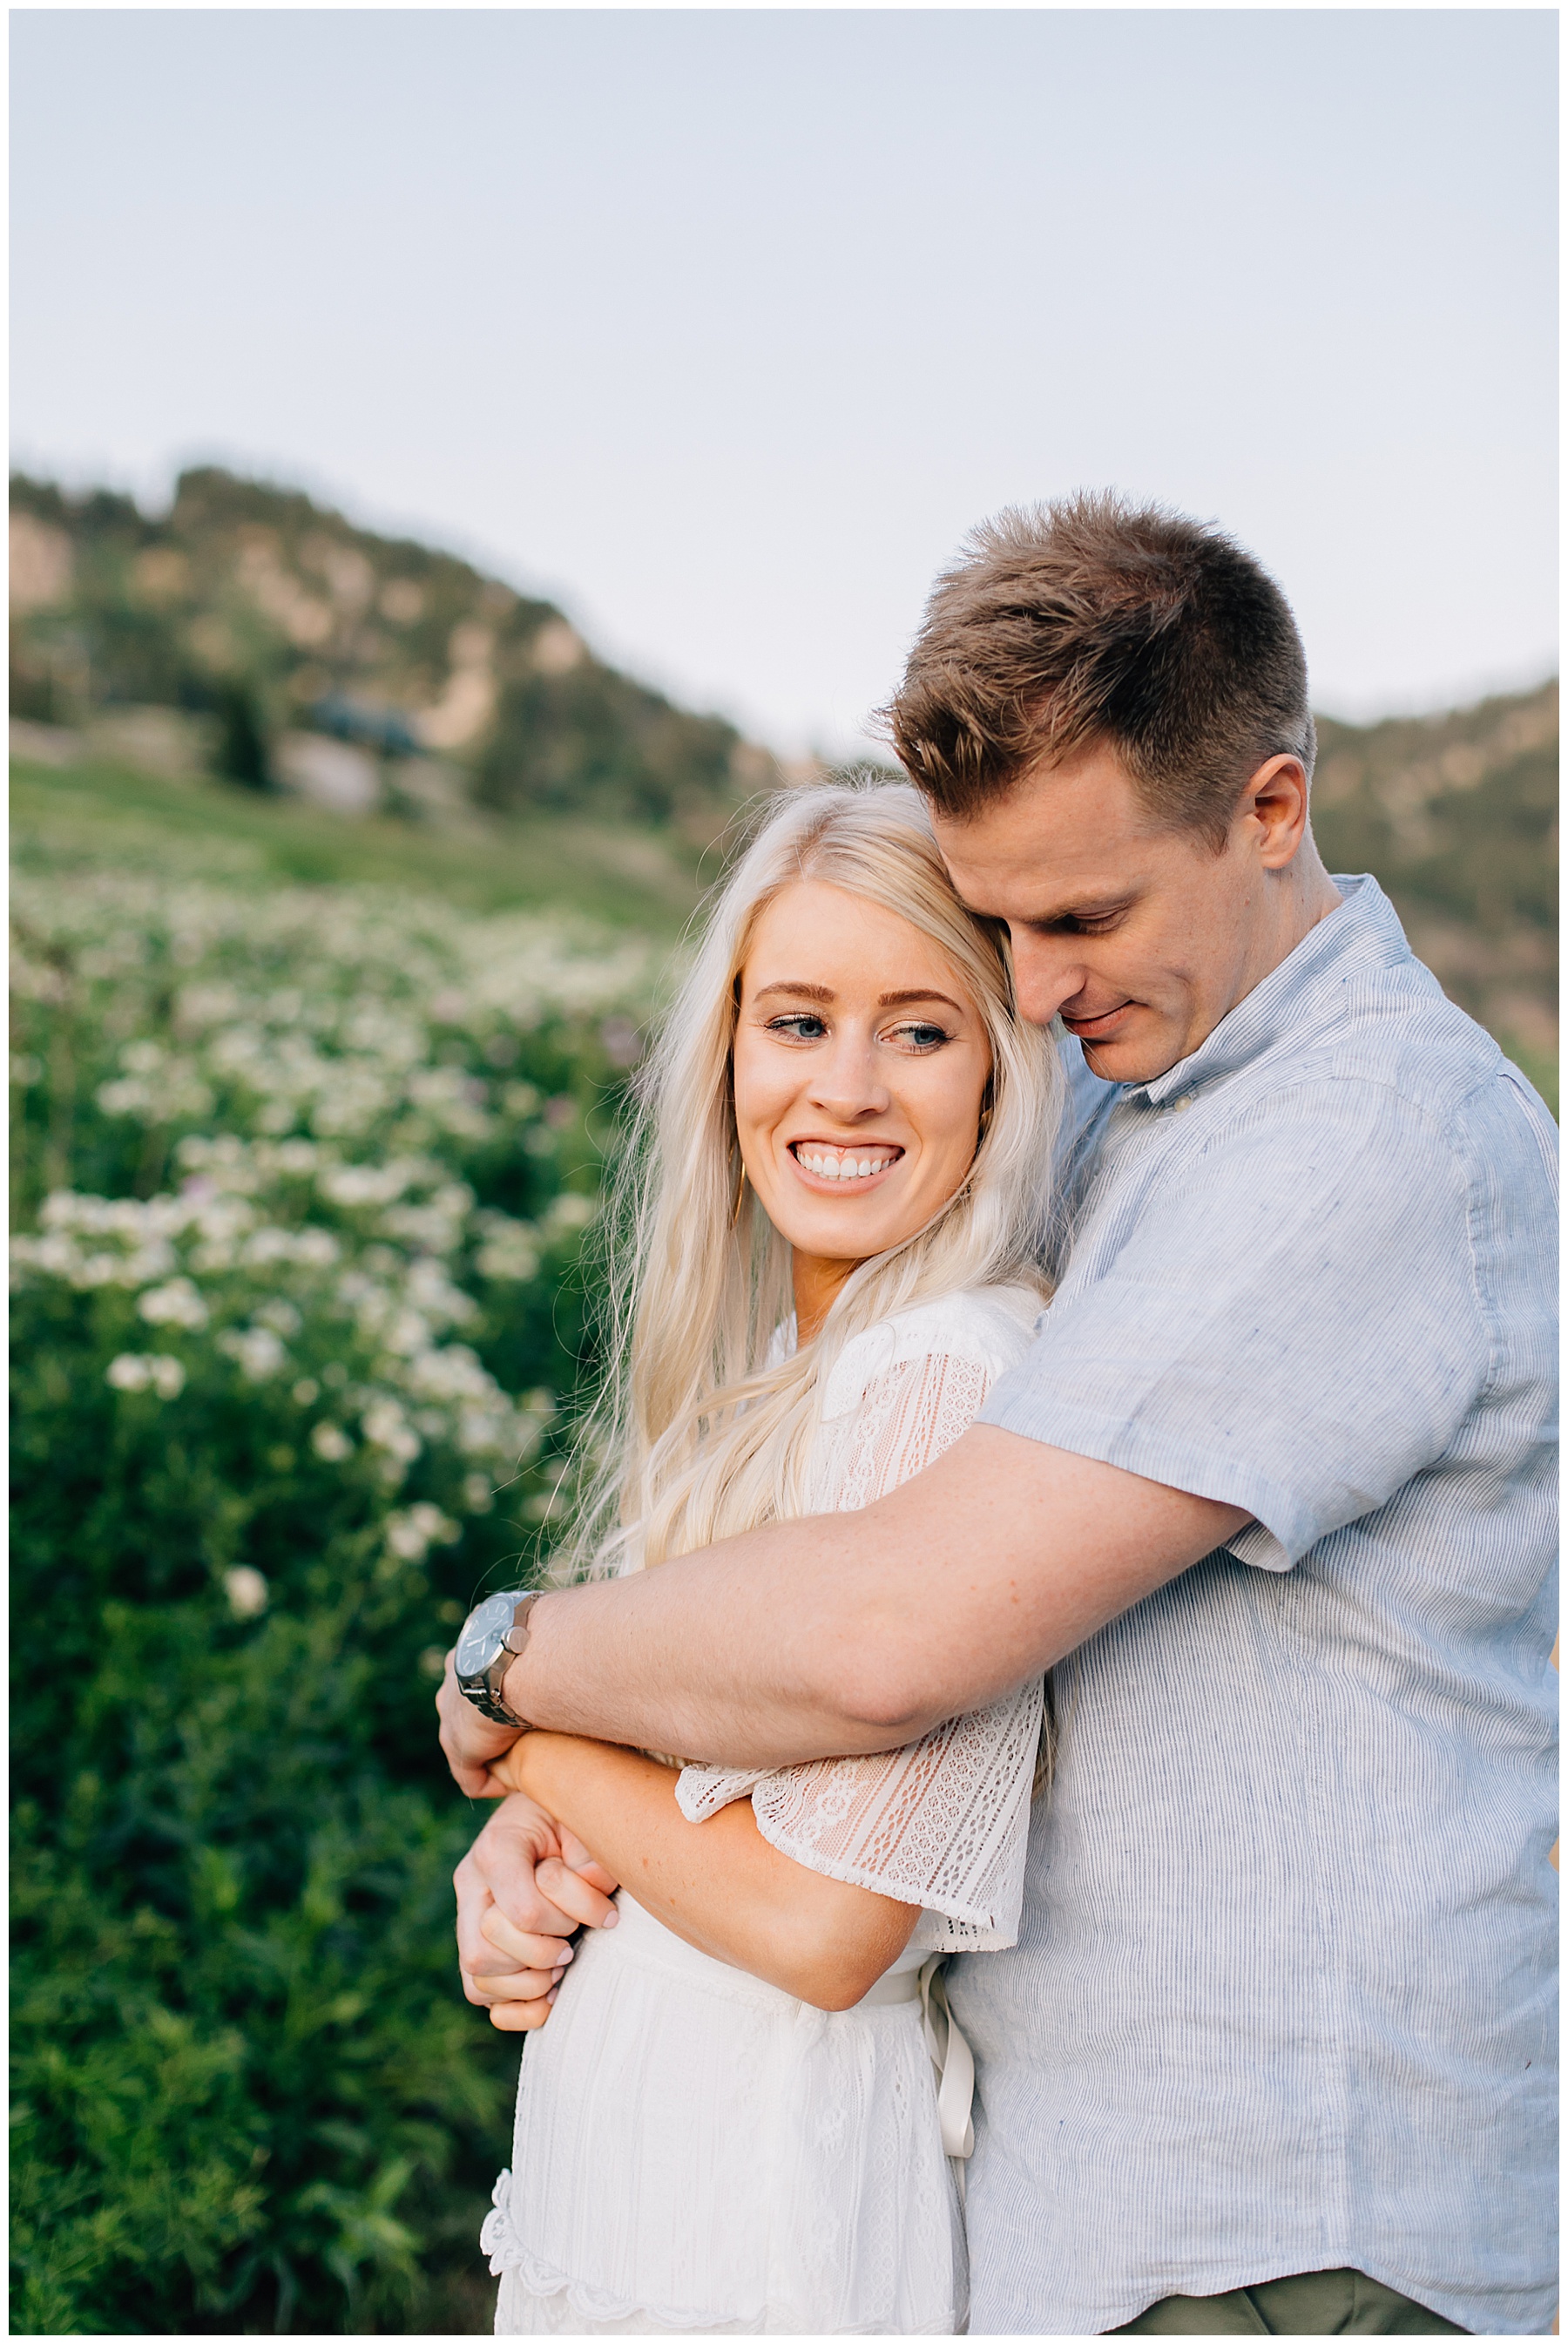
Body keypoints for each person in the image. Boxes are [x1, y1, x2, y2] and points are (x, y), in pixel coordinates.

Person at [443, 498, 1558, 2337]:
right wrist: (573, 1804)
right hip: (1093, 2199)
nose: (1035, 992)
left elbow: (892, 1634)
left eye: (1084, 914)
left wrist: (514, 1675)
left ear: (1271, 812)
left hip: (1288, 2225)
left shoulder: (1363, 1141)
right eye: (1006, 927)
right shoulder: (1146, 1089)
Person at [470, 780, 1066, 2333]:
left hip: (764, 2199)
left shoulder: (936, 1370)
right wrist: (541, 1846)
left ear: (1000, 1068)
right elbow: (715, 1797)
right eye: (797, 1021)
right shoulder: (800, 1360)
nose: (848, 1087)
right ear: (727, 1046)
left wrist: (529, 1751)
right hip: (675, 2159)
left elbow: (826, 1924)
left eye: (920, 1029)